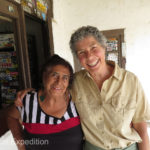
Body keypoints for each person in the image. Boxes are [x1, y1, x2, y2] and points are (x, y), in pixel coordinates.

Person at [15, 26, 150, 150]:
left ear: (104, 48)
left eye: (93, 48)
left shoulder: (131, 81)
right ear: (77, 57)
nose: (89, 56)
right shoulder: (75, 81)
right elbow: (56, 87)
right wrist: (31, 92)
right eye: (81, 52)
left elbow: (141, 127)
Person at [7, 54, 83, 150]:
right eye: (54, 75)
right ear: (44, 76)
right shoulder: (28, 100)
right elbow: (11, 117)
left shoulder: (76, 100)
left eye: (65, 77)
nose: (59, 82)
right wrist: (20, 144)